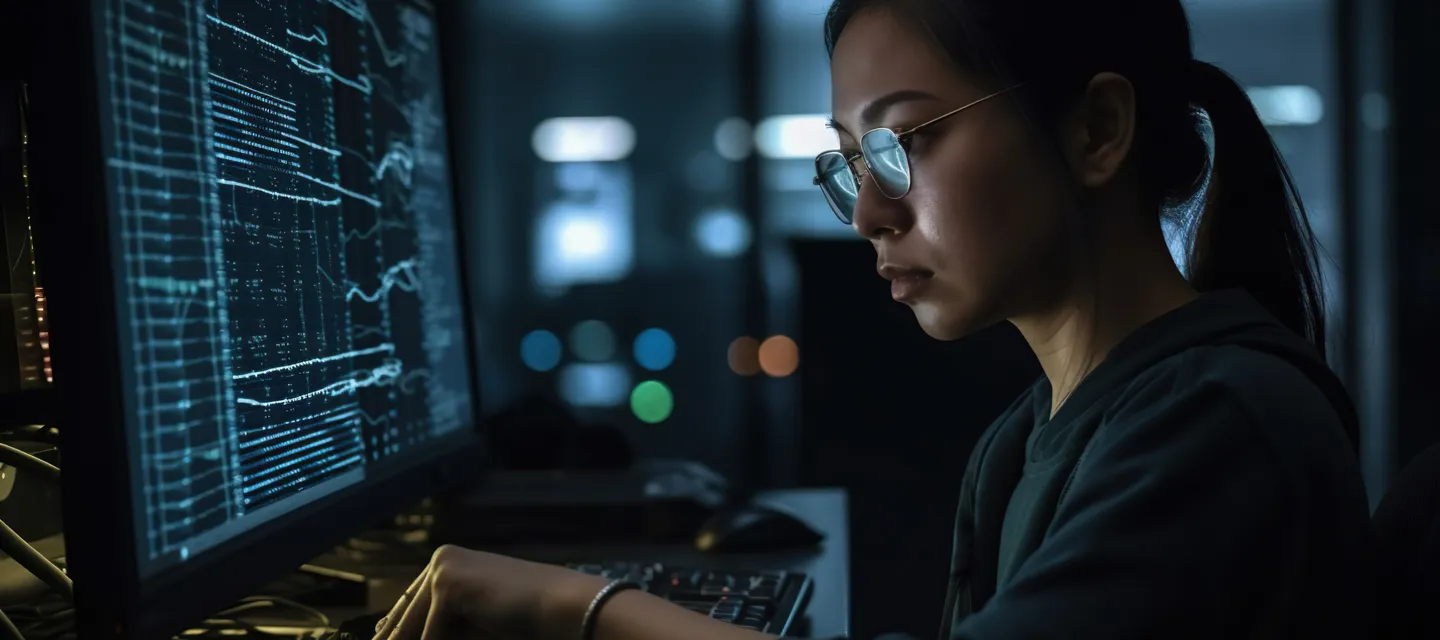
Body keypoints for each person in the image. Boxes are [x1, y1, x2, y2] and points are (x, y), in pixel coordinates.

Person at [376, 0, 1377, 638]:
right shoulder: (1040, 433)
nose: (866, 213)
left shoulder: (1216, 427)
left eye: (902, 143)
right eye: (847, 163)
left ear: (1098, 130)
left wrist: (574, 604)